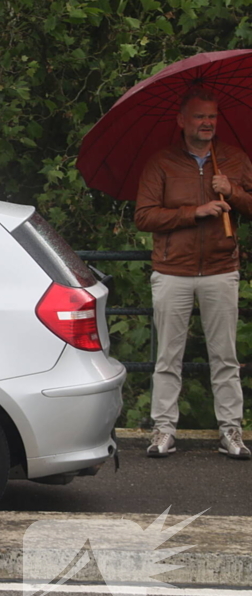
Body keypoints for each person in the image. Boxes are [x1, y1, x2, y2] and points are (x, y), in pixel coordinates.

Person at [135, 87, 252, 460]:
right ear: (182, 120)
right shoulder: (161, 162)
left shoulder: (233, 159)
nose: (208, 124)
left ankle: (231, 431)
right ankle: (164, 430)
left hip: (221, 268)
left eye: (213, 117)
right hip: (172, 271)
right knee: (169, 357)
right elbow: (144, 216)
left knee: (225, 356)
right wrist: (194, 212)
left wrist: (231, 190)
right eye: (200, 117)